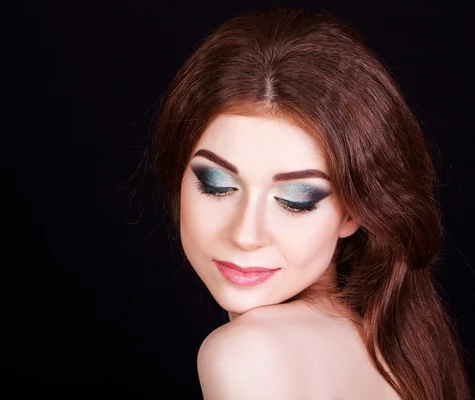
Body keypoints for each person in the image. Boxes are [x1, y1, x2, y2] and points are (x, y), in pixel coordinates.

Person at [149, 6, 470, 400]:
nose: (246, 234)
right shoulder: (401, 349)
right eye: (217, 185)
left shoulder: (247, 356)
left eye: (295, 200)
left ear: (353, 210)